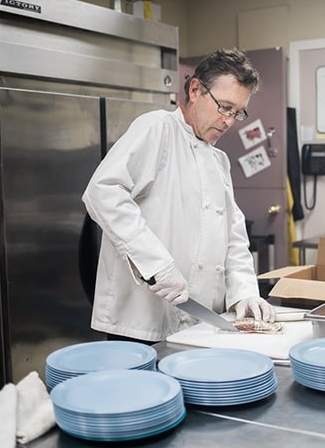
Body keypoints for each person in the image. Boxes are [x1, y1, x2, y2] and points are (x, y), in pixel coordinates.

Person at [82, 48, 276, 343]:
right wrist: (157, 264)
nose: (228, 121)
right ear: (196, 90)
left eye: (238, 113)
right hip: (144, 323)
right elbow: (102, 191)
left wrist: (246, 292)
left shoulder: (219, 161)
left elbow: (234, 240)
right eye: (224, 106)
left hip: (201, 326)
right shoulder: (157, 128)